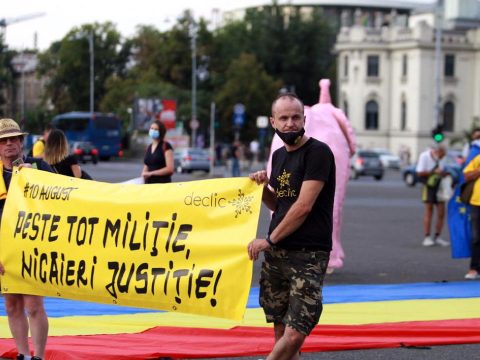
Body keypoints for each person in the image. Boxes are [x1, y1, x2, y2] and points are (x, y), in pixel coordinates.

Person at [248, 93, 335, 359]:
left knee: (296, 333)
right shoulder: (278, 156)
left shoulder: (319, 152)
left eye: (295, 117)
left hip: (308, 253)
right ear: (273, 122)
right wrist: (262, 189)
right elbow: (281, 205)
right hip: (278, 254)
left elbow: (303, 207)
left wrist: (269, 240)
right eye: (283, 118)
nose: (290, 123)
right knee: (280, 330)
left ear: (304, 119)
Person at [0, 118, 53, 360]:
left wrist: (40, 180)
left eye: (13, 139)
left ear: (22, 142)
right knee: (12, 305)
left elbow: (66, 197)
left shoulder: (40, 167)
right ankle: (22, 354)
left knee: (33, 305)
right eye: (3, 141)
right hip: (4, 250)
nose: (9, 144)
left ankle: (38, 356)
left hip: (34, 246)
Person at [416, 143, 450, 247]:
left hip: (440, 186)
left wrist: (444, 173)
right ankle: (427, 237)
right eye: (441, 155)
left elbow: (443, 171)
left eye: (444, 155)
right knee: (429, 210)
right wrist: (434, 171)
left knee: (441, 212)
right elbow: (419, 172)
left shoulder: (443, 158)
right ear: (436, 152)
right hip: (428, 185)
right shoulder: (424, 156)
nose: (442, 157)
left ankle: (437, 236)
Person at [462, 148, 480, 279]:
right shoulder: (478, 158)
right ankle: (474, 268)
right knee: (476, 237)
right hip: (477, 203)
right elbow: (466, 175)